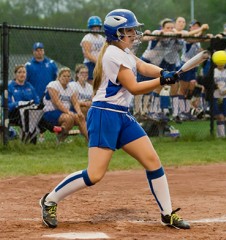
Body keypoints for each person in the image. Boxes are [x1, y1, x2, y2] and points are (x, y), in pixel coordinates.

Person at [39, 9, 190, 230]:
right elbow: (135, 87)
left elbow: (143, 67)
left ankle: (167, 214)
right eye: (128, 30)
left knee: (153, 162)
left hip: (122, 115)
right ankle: (49, 200)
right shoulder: (113, 54)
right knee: (94, 175)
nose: (133, 33)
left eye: (132, 29)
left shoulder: (125, 52)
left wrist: (165, 73)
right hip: (104, 115)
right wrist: (162, 81)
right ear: (115, 33)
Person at [8, 65, 61, 144]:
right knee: (31, 114)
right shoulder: (10, 86)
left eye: (24, 72)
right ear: (15, 74)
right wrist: (18, 103)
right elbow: (7, 105)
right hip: (14, 113)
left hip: (30, 112)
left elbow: (36, 101)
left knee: (32, 113)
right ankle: (51, 128)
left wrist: (30, 105)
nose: (22, 74)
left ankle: (30, 143)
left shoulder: (29, 86)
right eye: (19, 72)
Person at [42, 67, 88, 142]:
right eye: (64, 76)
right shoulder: (53, 85)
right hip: (50, 112)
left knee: (80, 118)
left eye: (68, 76)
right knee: (68, 118)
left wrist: (79, 112)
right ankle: (59, 141)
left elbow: (75, 102)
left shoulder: (70, 88)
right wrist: (69, 112)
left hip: (63, 112)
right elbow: (56, 103)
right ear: (59, 77)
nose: (66, 78)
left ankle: (91, 142)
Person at [203, 52, 226, 138]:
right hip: (214, 97)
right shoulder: (212, 72)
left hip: (224, 97)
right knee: (219, 115)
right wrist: (215, 86)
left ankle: (219, 135)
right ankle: (222, 135)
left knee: (223, 116)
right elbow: (206, 82)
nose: (221, 65)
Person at [80, 16, 106, 85]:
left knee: (101, 82)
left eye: (97, 26)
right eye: (94, 26)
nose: (96, 28)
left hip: (99, 63)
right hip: (90, 64)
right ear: (90, 27)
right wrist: (98, 61)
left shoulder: (101, 38)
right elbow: (87, 54)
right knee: (91, 83)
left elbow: (104, 51)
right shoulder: (87, 37)